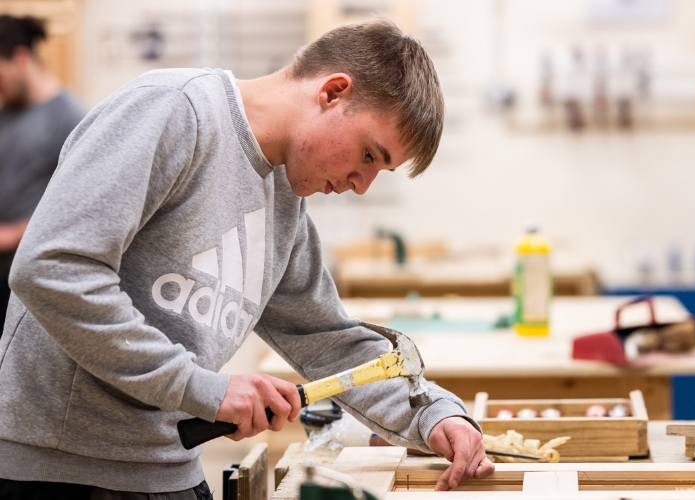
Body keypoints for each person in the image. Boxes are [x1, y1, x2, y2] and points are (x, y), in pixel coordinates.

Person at [0, 19, 493, 499]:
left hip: (162, 465)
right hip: (54, 471)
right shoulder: (174, 111)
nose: (361, 186)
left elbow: (328, 341)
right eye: (368, 155)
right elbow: (52, 268)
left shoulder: (285, 199)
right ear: (333, 91)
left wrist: (433, 413)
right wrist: (201, 388)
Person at [0, 15, 85, 333]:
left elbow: (76, 205)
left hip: (29, 279)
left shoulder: (70, 118)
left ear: (21, 58)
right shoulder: (6, 111)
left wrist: (12, 234)